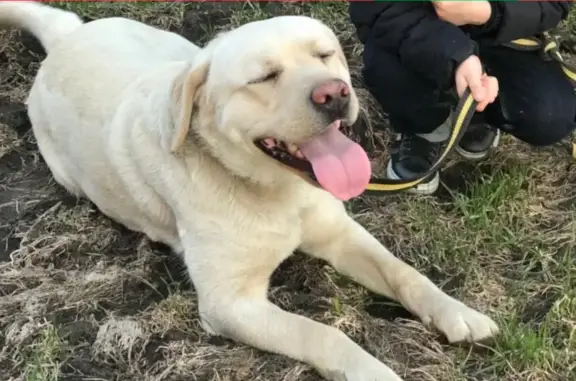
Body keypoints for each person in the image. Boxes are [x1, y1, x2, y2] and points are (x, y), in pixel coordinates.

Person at [349, 1, 575, 195]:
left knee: (548, 113)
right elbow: (376, 8)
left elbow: (553, 4)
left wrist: (490, 12)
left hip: (499, 33)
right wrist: (455, 55)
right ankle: (423, 129)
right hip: (413, 27)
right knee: (390, 70)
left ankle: (478, 113)